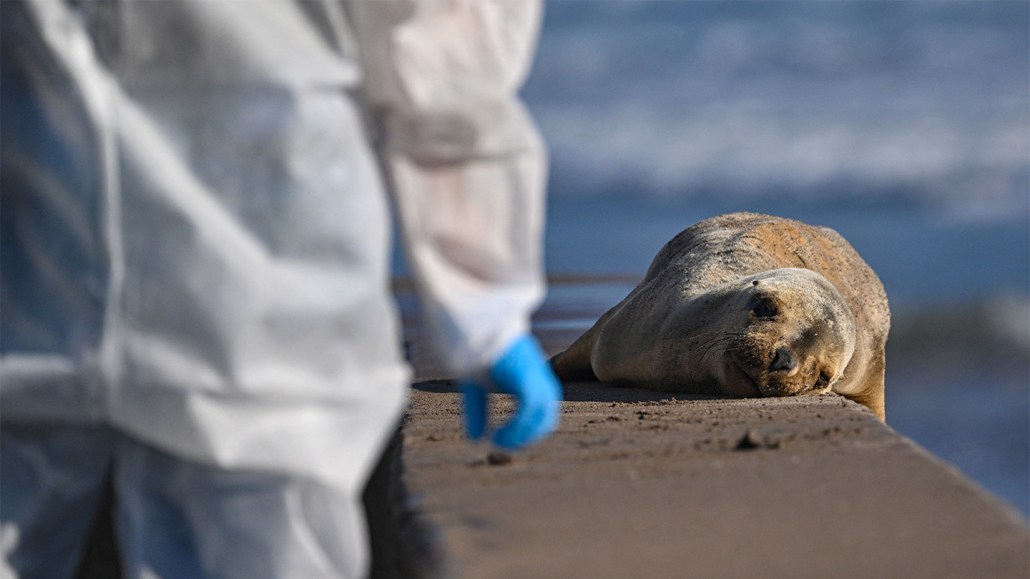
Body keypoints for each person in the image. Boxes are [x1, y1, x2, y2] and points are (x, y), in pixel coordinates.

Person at [0, 1, 561, 577]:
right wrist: (483, 297)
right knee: (261, 531)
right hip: (262, 277)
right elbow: (439, 55)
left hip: (46, 256)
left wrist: (483, 304)